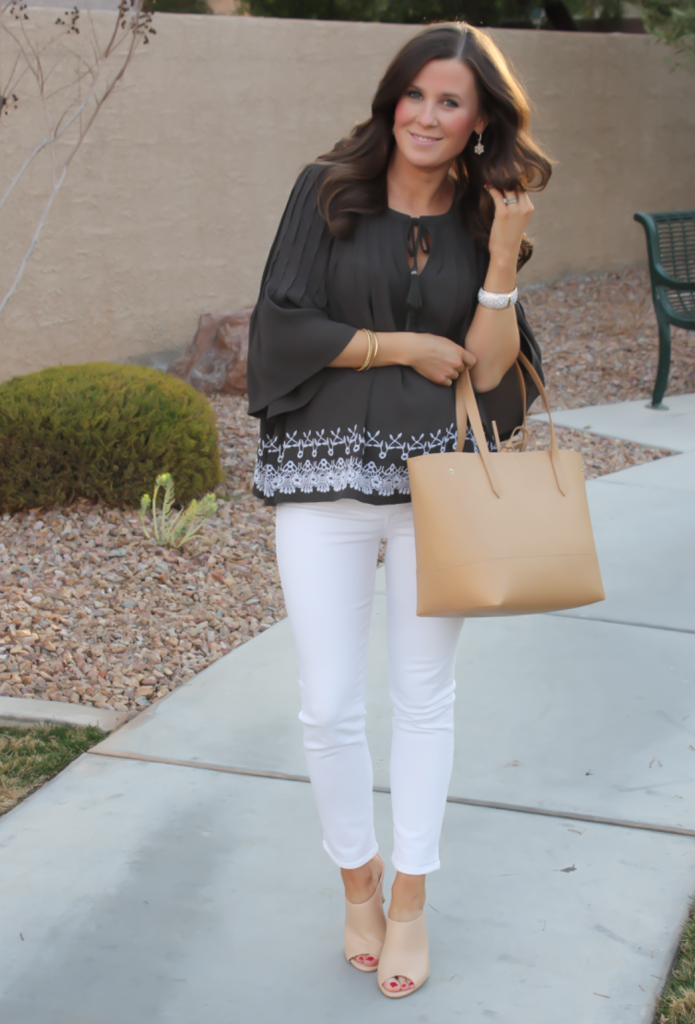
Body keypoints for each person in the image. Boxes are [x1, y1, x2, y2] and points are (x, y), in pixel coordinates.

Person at [246, 21, 551, 999]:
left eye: (450, 101)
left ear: (478, 120)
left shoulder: (483, 217)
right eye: (415, 94)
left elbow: (499, 373)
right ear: (393, 100)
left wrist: (502, 259)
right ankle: (358, 883)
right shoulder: (325, 190)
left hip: (437, 492)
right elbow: (281, 325)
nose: (427, 115)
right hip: (321, 487)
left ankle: (412, 899)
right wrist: (399, 348)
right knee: (329, 703)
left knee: (425, 701)